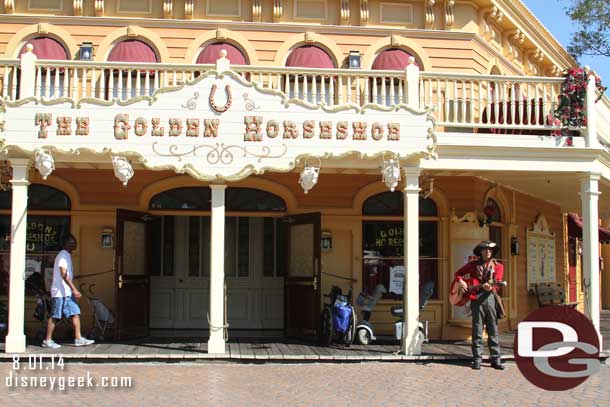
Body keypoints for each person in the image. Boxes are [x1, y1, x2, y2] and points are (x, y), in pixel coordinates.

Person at [454, 240, 504, 370]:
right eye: (485, 250)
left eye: (490, 250)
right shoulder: (472, 265)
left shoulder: (498, 266)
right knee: (477, 330)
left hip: (491, 298)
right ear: (480, 252)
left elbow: (497, 281)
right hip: (476, 298)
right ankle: (477, 358)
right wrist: (461, 282)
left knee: (493, 329)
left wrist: (491, 286)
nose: (488, 252)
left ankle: (496, 359)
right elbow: (457, 274)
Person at [42, 234, 94, 349]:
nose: (75, 244)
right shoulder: (62, 256)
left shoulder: (67, 256)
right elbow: (64, 274)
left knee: (75, 313)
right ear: (67, 244)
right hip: (60, 292)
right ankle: (47, 340)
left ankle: (78, 338)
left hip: (67, 293)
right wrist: (74, 289)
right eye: (73, 243)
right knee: (55, 315)